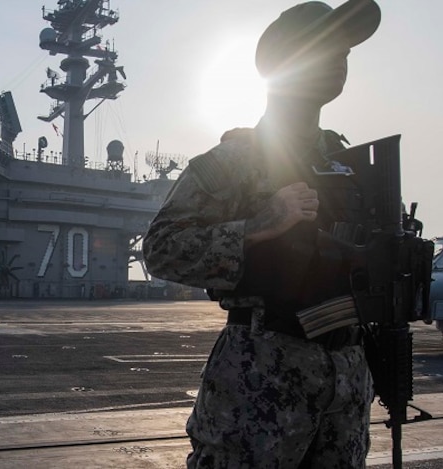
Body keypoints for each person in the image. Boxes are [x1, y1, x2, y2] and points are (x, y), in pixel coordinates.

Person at [142, 1, 382, 467]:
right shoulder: (234, 162)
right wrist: (256, 227)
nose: (339, 59)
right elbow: (161, 249)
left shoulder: (350, 166)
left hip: (347, 383)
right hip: (261, 380)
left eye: (345, 50)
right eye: (324, 47)